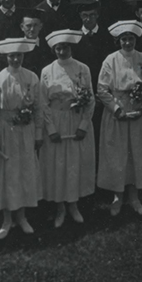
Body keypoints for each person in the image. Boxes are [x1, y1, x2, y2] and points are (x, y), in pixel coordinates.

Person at [96, 20, 142, 216]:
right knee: (118, 154)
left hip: (138, 113)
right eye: (123, 39)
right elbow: (102, 89)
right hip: (117, 114)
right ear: (118, 41)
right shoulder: (110, 60)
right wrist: (116, 110)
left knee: (136, 153)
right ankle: (117, 197)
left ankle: (134, 196)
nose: (127, 43)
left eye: (130, 39)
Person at [39, 29, 96, 227]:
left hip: (76, 120)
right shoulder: (47, 71)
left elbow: (90, 100)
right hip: (56, 120)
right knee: (58, 164)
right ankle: (60, 208)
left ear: (71, 48)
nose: (62, 51)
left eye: (65, 47)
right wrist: (51, 128)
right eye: (58, 48)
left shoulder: (82, 69)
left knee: (74, 163)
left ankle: (74, 205)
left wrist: (83, 125)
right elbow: (43, 102)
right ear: (54, 50)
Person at [0, 37, 44, 238]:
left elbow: (38, 107)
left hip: (26, 131)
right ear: (6, 57)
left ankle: (22, 216)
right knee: (7, 173)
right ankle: (7, 218)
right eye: (12, 56)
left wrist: (38, 133)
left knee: (24, 171)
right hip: (6, 131)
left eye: (18, 55)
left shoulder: (31, 77)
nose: (15, 59)